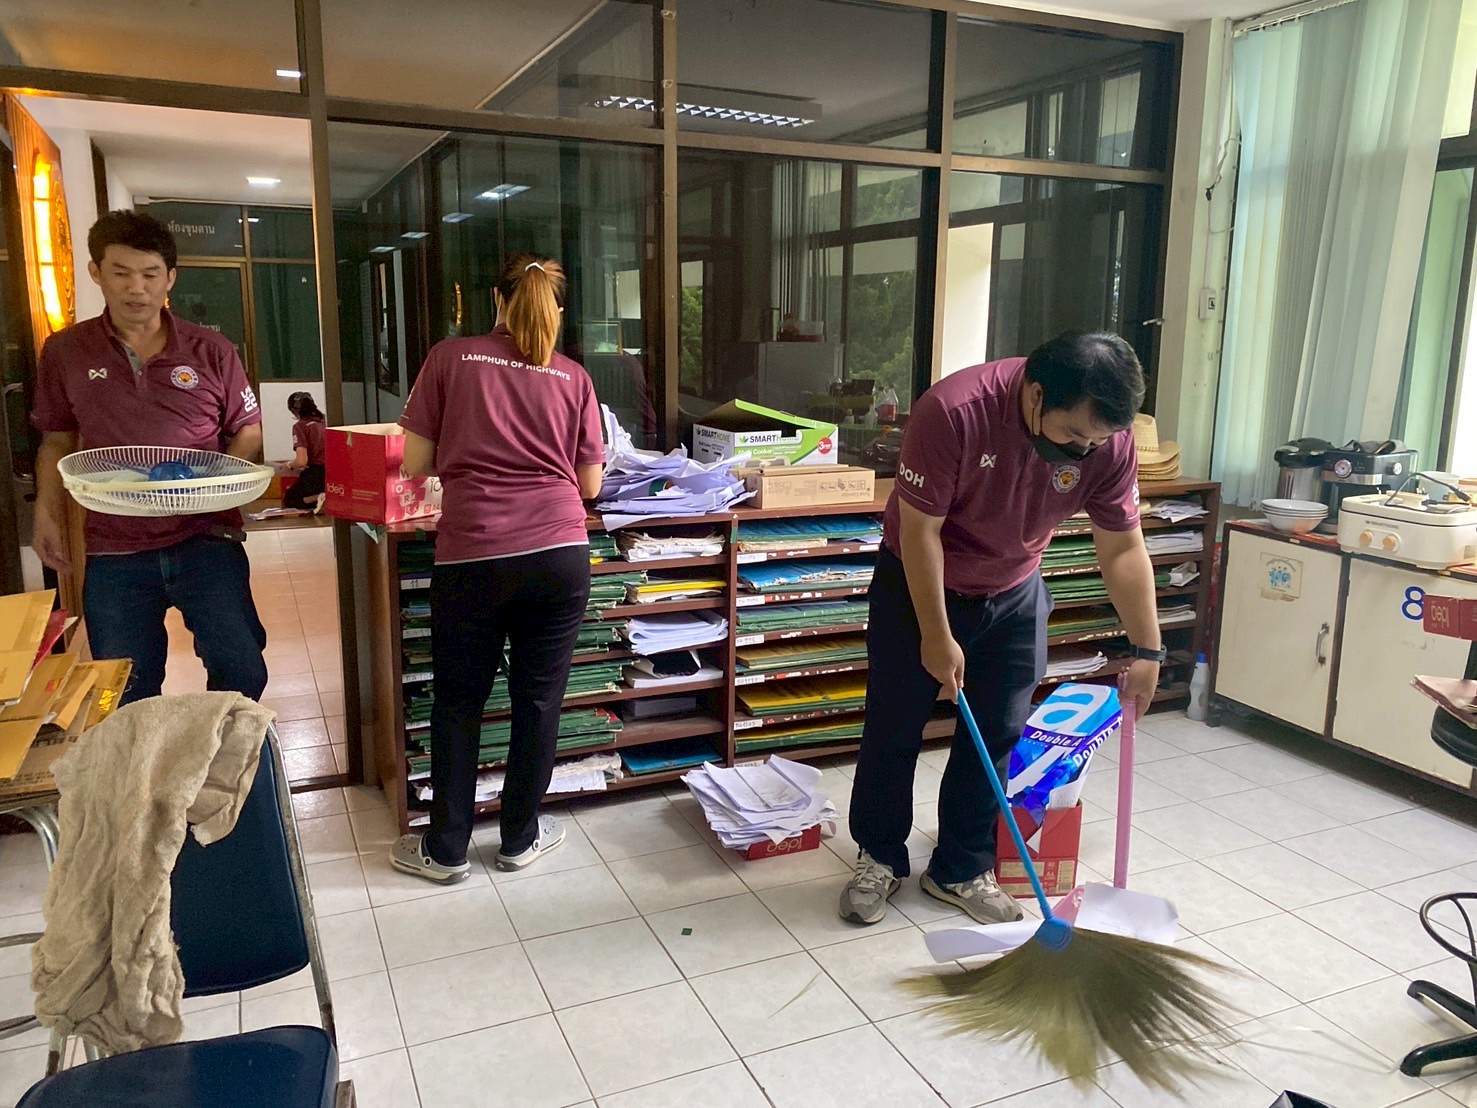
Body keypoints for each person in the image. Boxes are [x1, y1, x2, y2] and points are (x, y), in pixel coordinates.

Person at [839, 332, 1163, 926]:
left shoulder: (1109, 442)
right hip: (918, 584)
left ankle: (960, 868)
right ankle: (879, 856)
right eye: (1074, 436)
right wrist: (936, 635)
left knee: (996, 734)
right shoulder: (953, 413)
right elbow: (920, 534)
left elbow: (1122, 547)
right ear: (1036, 396)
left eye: (1096, 442)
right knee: (894, 725)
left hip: (1014, 588)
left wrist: (1148, 648)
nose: (1084, 452)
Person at [391, 253, 606, 884]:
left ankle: (447, 850)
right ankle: (519, 839)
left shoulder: (450, 358)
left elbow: (416, 463)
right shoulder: (574, 377)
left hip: (476, 556)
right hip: (560, 557)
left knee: (459, 703)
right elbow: (590, 485)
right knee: (538, 701)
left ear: (496, 299)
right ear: (557, 309)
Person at [31, 210, 267, 705]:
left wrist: (211, 481)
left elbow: (248, 430)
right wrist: (45, 513)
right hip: (114, 547)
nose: (136, 288)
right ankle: (150, 757)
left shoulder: (211, 349)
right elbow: (56, 440)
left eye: (149, 274)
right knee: (123, 688)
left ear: (170, 278)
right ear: (95, 272)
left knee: (242, 669)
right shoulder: (67, 351)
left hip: (206, 536)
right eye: (121, 272)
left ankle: (223, 749)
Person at [281, 391, 327, 512]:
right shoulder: (327, 420)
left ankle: (320, 497)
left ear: (294, 411)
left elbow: (302, 461)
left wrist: (289, 465)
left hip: (317, 472)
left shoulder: (300, 426)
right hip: (337, 471)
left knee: (290, 499)